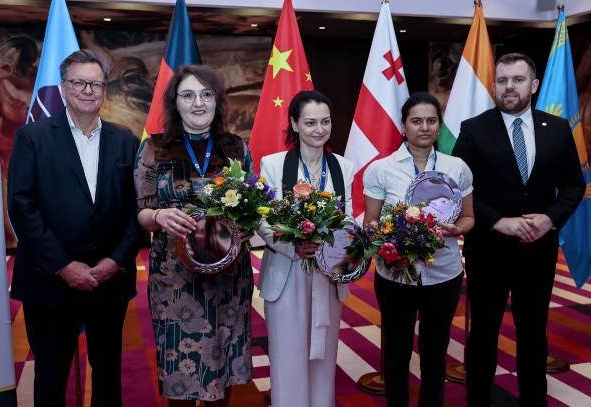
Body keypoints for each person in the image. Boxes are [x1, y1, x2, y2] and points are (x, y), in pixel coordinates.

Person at [7, 49, 144, 407]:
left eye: (95, 84)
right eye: (78, 82)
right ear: (63, 88)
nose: (87, 90)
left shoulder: (126, 141)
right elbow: (22, 207)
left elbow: (136, 211)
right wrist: (64, 266)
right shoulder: (32, 137)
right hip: (50, 281)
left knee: (108, 375)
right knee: (51, 377)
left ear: (104, 89)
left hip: (108, 281)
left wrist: (116, 260)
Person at [452, 53, 585, 407]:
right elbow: (458, 188)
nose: (509, 86)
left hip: (538, 248)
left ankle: (534, 401)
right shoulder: (473, 128)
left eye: (518, 79)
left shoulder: (558, 128)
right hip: (488, 249)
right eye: (502, 81)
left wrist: (549, 218)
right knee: (483, 332)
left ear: (534, 85)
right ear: (494, 86)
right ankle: (478, 400)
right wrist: (498, 221)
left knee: (533, 333)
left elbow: (574, 184)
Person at [134, 65, 254, 406]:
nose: (197, 102)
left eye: (206, 94)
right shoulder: (154, 147)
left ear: (217, 100)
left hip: (230, 275)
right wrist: (159, 215)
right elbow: (142, 213)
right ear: (175, 102)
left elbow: (254, 207)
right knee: (180, 367)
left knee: (224, 359)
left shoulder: (236, 147)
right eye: (187, 95)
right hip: (175, 279)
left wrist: (247, 224)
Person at [363, 92, 475, 407]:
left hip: (444, 274)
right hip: (396, 276)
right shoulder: (381, 169)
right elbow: (370, 225)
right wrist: (388, 253)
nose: (424, 127)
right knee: (397, 357)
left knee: (435, 357)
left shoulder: (457, 167)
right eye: (416, 120)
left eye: (431, 120)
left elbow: (468, 218)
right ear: (403, 125)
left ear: (439, 125)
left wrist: (457, 229)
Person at [257, 90, 354, 407]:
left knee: (324, 357)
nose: (319, 129)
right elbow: (262, 219)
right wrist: (293, 246)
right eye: (310, 122)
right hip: (286, 272)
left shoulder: (343, 167)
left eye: (325, 121)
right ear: (294, 124)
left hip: (328, 274)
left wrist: (342, 245)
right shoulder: (273, 164)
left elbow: (348, 218)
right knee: (288, 356)